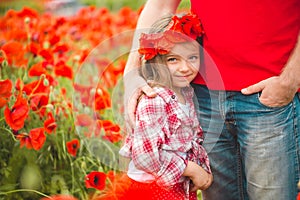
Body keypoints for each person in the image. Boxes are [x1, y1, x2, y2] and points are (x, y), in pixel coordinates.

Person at [123, 0, 300, 200]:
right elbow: (161, 5)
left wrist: (290, 80)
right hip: (201, 96)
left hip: (268, 95)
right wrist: (132, 73)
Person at [119, 13, 213, 200]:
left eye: (192, 57)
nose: (185, 68)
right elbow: (145, 157)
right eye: (173, 60)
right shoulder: (155, 99)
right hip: (152, 189)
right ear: (156, 61)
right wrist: (191, 169)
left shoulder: (186, 93)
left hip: (176, 185)